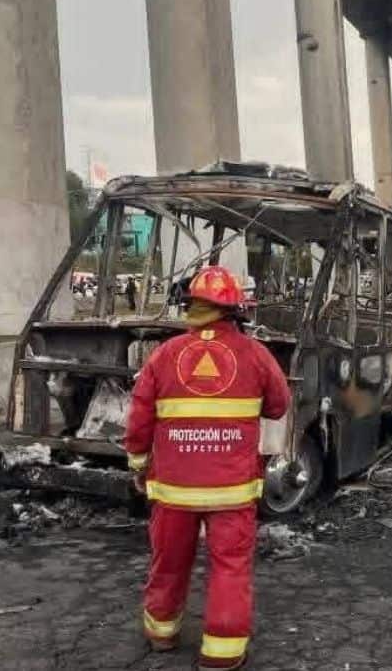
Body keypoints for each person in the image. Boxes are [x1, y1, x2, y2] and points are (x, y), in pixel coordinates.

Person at [125, 266, 291, 669]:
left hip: (173, 489)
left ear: (192, 306)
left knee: (168, 562)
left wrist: (137, 463)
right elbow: (279, 405)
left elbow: (139, 418)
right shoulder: (255, 353)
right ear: (236, 310)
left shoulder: (164, 354)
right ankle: (223, 655)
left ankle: (162, 635)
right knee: (230, 570)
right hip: (232, 490)